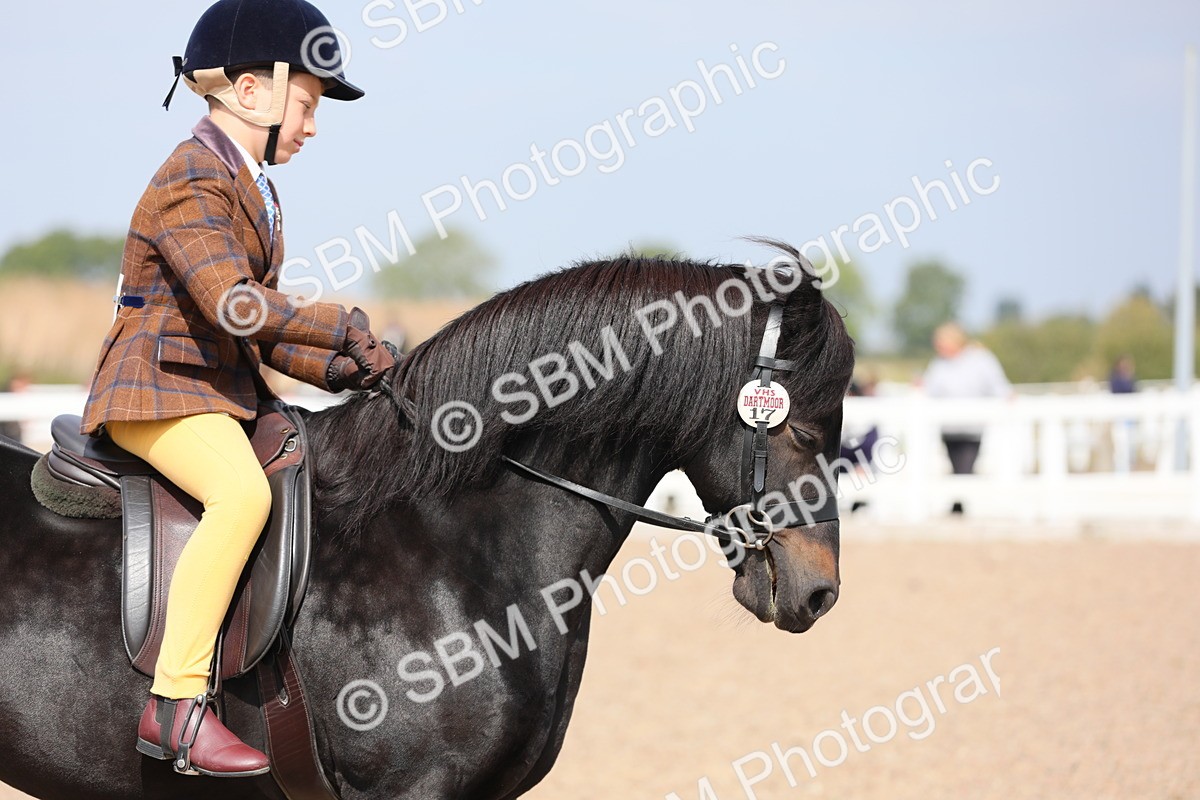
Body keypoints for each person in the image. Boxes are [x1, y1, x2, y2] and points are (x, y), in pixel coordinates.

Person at [79, 0, 394, 778]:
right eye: (308, 104)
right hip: (156, 391)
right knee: (242, 497)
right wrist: (338, 319)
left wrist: (347, 367)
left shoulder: (250, 185)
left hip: (214, 387)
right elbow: (234, 303)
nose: (314, 125)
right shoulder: (192, 176)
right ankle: (177, 705)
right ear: (252, 91)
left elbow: (261, 334)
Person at [921, 322, 1011, 512]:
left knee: (964, 466)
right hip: (949, 428)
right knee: (957, 466)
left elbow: (997, 385)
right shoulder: (939, 364)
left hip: (972, 427)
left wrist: (1007, 396)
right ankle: (959, 504)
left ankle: (958, 505)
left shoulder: (981, 359)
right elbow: (929, 389)